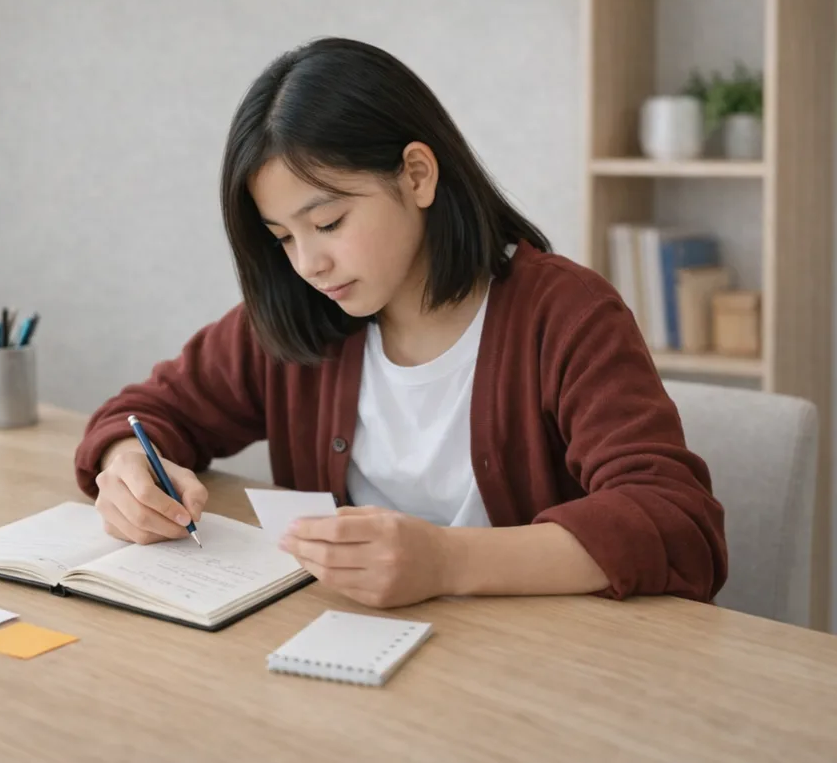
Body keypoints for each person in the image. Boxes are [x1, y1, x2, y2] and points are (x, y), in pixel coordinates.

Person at [72, 37, 728, 610]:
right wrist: (128, 467)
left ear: (417, 174)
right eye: (283, 238)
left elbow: (674, 522)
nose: (308, 262)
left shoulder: (565, 316)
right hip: (347, 657)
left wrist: (447, 561)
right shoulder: (301, 318)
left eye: (328, 223)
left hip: (537, 676)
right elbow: (147, 411)